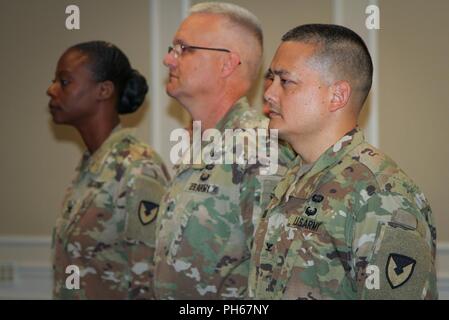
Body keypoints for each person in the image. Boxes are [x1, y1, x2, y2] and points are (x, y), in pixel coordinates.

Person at [249, 24, 437, 300]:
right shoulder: (294, 175)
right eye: (271, 79)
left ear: (337, 96)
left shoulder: (381, 196)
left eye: (285, 81)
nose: (269, 94)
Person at [153, 2, 293, 299]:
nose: (168, 59)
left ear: (227, 64)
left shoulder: (258, 149)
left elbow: (274, 280)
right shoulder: (202, 144)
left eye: (183, 49)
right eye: (171, 48)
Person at [47, 41, 170, 299]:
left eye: (64, 81)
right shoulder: (92, 164)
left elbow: (147, 282)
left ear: (103, 90)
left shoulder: (138, 168)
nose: (51, 90)